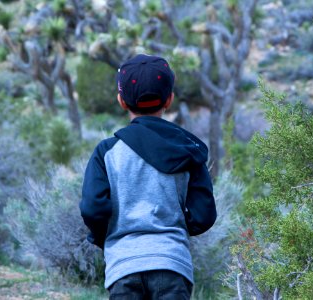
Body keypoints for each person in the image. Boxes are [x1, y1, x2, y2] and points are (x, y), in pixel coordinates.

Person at [79, 54, 217, 300]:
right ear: (169, 99)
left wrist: (108, 236)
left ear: (121, 101)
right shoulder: (188, 151)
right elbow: (203, 215)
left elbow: (93, 209)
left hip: (123, 266)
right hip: (172, 265)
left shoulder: (107, 152)